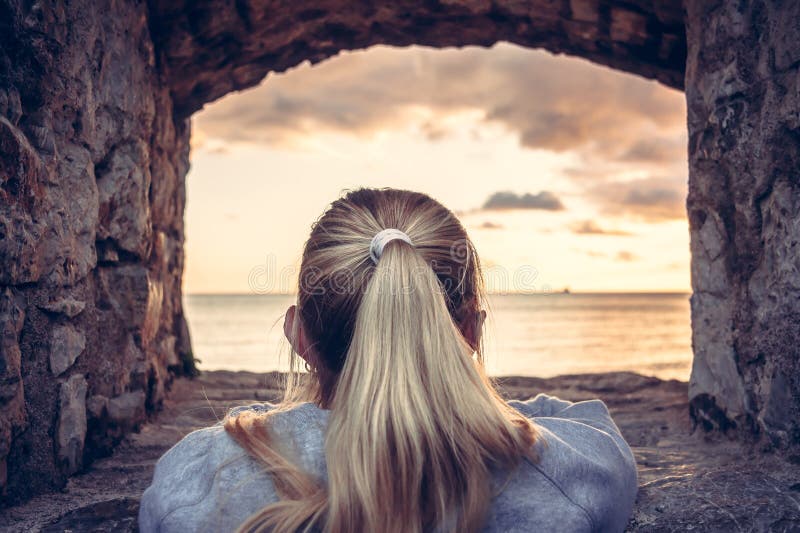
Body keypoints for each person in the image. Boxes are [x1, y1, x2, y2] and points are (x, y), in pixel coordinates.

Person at [139, 188, 638, 533]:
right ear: (470, 333)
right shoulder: (567, 474)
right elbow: (582, 421)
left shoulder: (206, 478)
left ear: (299, 336)